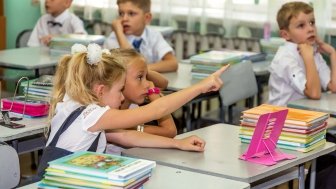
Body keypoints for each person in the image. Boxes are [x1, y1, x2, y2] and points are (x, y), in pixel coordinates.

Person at [46, 43, 229, 155]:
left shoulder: (74, 103)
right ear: (100, 90)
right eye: (120, 90)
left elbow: (127, 136)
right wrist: (200, 86)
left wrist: (177, 144)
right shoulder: (91, 114)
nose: (122, 96)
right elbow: (157, 110)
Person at [268, 1, 336, 106]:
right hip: (281, 117)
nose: (310, 29)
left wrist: (333, 53)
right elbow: (314, 93)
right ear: (285, 34)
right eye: (301, 25)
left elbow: (333, 87)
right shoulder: (284, 58)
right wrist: (308, 58)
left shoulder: (312, 51)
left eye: (312, 22)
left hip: (304, 113)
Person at [109, 48, 176, 138]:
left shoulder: (132, 105)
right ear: (118, 80)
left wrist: (142, 69)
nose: (148, 84)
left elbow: (163, 83)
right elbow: (170, 131)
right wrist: (154, 96)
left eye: (146, 76)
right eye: (140, 77)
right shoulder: (111, 117)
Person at [103, 0, 178, 73]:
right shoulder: (114, 39)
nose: (124, 19)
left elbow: (173, 63)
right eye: (121, 13)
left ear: (147, 18)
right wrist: (119, 33)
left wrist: (142, 69)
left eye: (131, 13)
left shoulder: (153, 35)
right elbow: (131, 64)